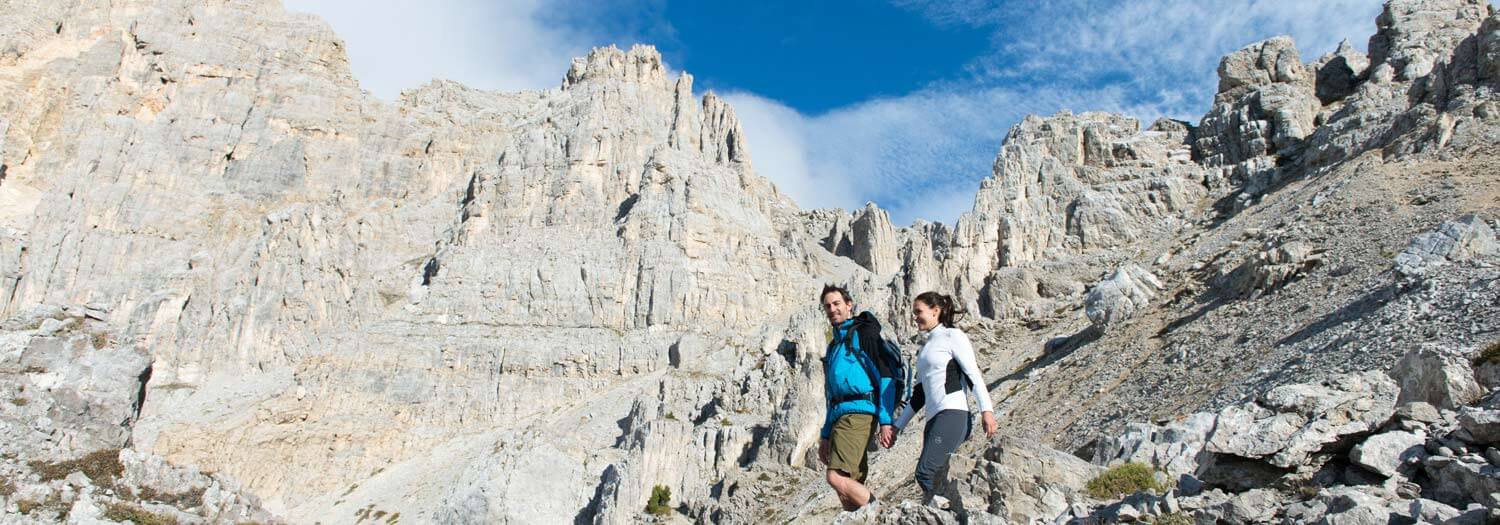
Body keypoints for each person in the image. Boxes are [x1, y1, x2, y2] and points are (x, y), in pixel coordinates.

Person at [881, 291, 997, 500]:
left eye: (919, 312)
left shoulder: (953, 336)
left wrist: (986, 411)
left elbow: (973, 375)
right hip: (935, 419)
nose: (915, 317)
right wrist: (897, 427)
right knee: (936, 475)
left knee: (926, 472)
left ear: (936, 311)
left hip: (953, 413)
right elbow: (918, 396)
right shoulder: (925, 350)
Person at [817, 284, 897, 511]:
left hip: (858, 413)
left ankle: (883, 514)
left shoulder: (863, 333)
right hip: (841, 416)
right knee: (848, 492)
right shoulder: (835, 346)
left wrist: (886, 420)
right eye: (827, 306)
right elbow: (831, 396)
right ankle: (864, 515)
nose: (832, 309)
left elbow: (885, 375)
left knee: (835, 477)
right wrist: (825, 435)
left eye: (837, 303)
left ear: (849, 304)